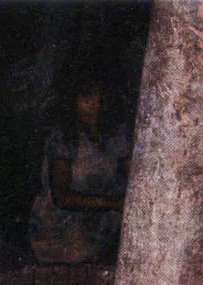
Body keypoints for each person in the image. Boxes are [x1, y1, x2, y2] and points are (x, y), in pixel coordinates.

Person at [29, 73, 131, 265]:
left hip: (101, 223)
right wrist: (114, 204)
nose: (95, 104)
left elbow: (134, 174)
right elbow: (62, 197)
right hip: (60, 231)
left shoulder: (115, 134)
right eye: (87, 97)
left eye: (100, 97)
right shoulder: (62, 138)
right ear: (72, 101)